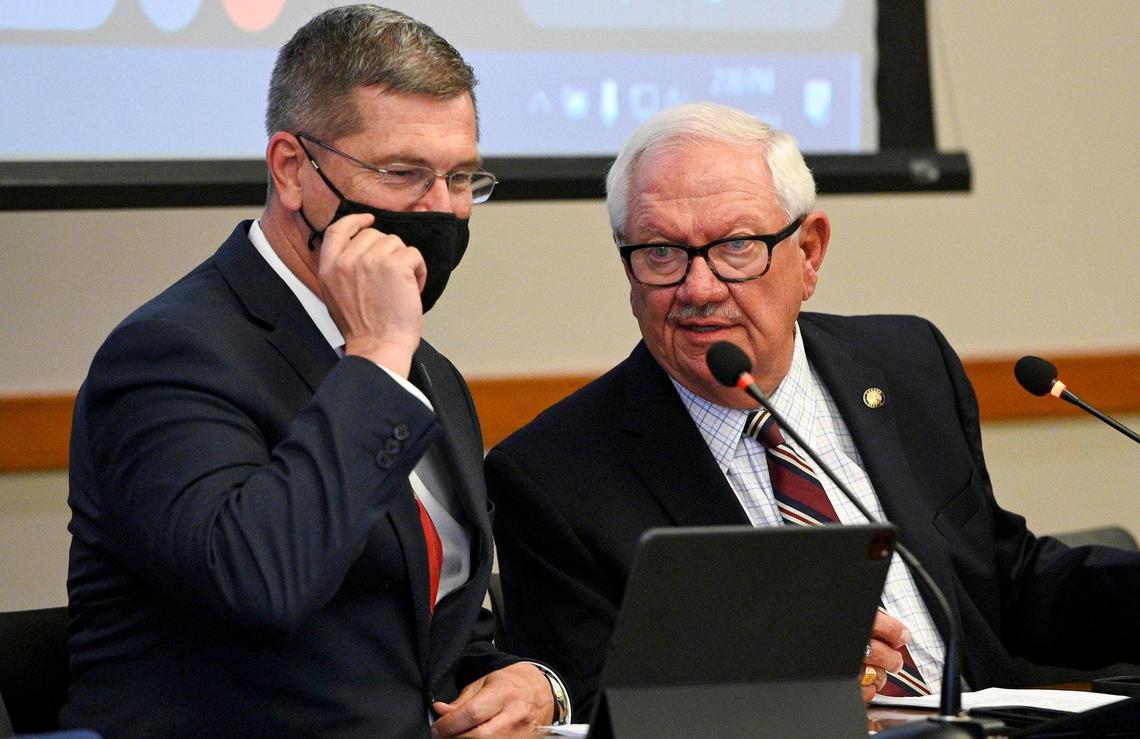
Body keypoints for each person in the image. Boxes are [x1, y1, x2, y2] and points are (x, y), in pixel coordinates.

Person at [485, 102, 1140, 717]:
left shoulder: (908, 364)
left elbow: (1007, 580)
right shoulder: (553, 475)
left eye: (737, 245)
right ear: (628, 270)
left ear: (810, 252)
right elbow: (592, 706)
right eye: (660, 252)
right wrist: (788, 686)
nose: (699, 287)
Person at [63, 6, 568, 736]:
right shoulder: (169, 355)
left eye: (461, 178)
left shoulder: (423, 369)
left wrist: (530, 683)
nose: (441, 210)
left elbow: (433, 630)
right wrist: (373, 361)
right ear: (294, 170)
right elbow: (258, 581)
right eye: (403, 173)